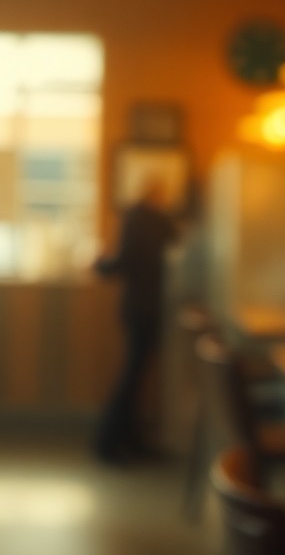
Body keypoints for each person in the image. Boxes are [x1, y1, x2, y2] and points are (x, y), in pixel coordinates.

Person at [92, 175, 179, 464]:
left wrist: (99, 264)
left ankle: (121, 441)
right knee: (133, 378)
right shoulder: (156, 222)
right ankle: (112, 442)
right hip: (149, 310)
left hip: (138, 308)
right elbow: (132, 261)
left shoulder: (140, 219)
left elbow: (121, 262)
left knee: (134, 377)